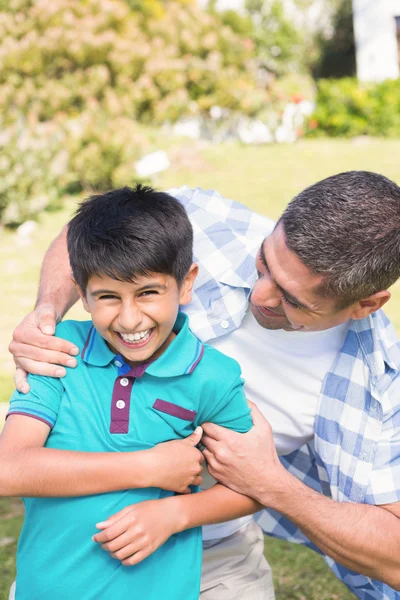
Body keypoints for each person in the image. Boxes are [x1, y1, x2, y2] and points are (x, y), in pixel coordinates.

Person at [9, 170, 400, 600]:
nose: (260, 296)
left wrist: (269, 484)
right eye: (265, 264)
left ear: (366, 304)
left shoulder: (379, 389)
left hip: (213, 549)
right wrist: (47, 312)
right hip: (68, 546)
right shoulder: (207, 221)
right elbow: (93, 234)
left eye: (292, 300)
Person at [1, 185, 262, 600]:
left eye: (148, 293)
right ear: (81, 292)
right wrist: (147, 467)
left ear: (187, 283)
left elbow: (253, 485)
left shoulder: (213, 377)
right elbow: (9, 469)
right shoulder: (58, 352)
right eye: (107, 297)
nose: (128, 318)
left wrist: (176, 513)